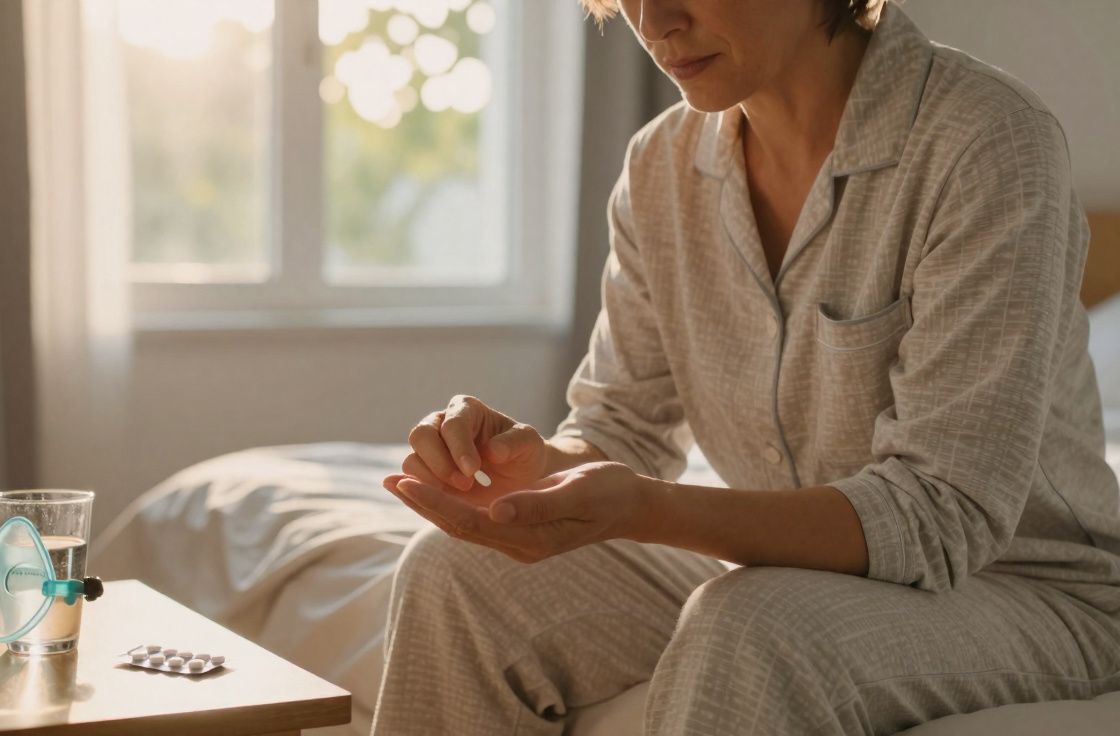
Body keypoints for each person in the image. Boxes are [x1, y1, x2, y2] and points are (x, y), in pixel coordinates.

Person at [371, 0, 1120, 733]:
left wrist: (650, 507)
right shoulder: (660, 164)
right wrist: (534, 466)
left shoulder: (986, 143)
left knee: (751, 625)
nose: (653, 21)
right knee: (457, 573)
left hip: (1028, 592)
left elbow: (940, 515)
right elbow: (620, 426)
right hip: (800, 576)